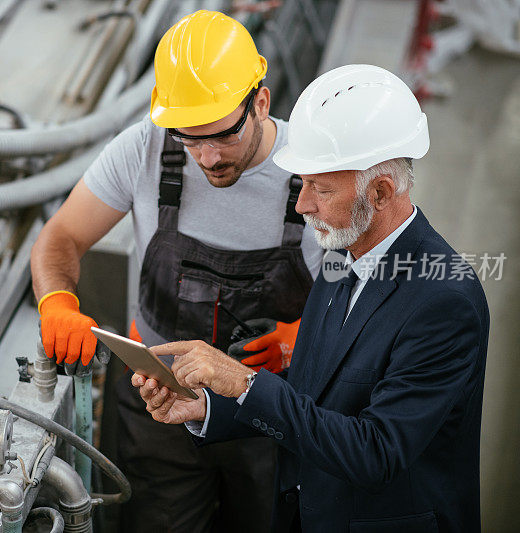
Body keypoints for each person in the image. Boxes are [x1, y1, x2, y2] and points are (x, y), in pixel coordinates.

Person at [133, 64, 490, 533]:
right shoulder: (342, 256)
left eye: (320, 189)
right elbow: (312, 394)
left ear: (380, 193)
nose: (302, 206)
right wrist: (208, 406)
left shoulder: (444, 302)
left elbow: (376, 450)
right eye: (302, 183)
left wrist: (243, 383)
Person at [30, 10, 323, 532]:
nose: (207, 158)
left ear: (260, 102)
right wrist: (57, 302)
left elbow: (372, 287)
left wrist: (310, 338)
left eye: (222, 136)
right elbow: (61, 239)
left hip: (268, 411)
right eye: (191, 139)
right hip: (158, 402)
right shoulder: (145, 150)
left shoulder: (315, 171)